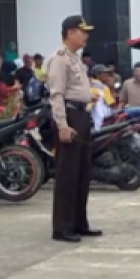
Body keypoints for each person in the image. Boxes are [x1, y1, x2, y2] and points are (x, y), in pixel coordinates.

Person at [48, 16, 100, 243]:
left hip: (82, 114)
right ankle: (62, 226)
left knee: (82, 173)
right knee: (67, 174)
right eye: (82, 31)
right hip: (69, 116)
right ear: (70, 33)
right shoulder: (59, 59)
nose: (86, 35)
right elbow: (56, 95)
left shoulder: (76, 59)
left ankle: (79, 222)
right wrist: (62, 125)